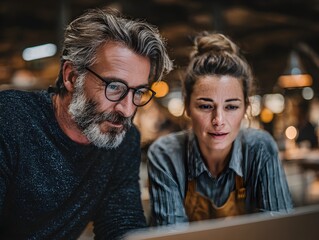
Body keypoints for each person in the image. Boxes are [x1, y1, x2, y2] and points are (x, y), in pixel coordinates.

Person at [0, 8, 172, 239]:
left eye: (138, 91)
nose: (128, 109)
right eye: (114, 87)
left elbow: (121, 223)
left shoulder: (124, 140)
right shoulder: (9, 119)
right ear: (71, 76)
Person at [147, 32, 293, 226]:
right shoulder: (166, 154)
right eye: (206, 106)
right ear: (187, 107)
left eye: (231, 107)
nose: (218, 120)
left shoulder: (260, 148)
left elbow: (280, 230)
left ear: (246, 108)